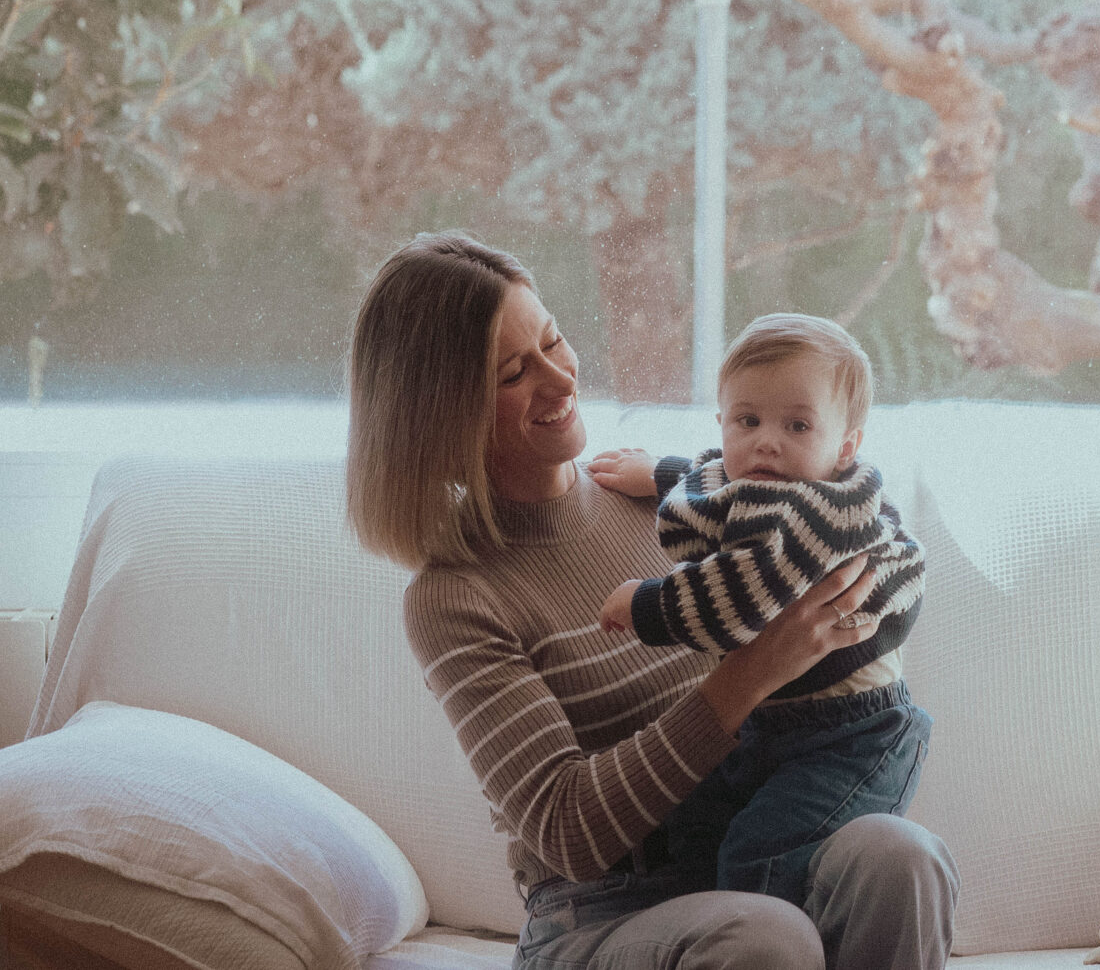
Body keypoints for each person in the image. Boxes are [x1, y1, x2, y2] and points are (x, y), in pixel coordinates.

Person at [346, 235, 958, 970]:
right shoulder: (454, 597)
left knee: (901, 856)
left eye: (553, 341)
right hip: (601, 912)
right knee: (763, 935)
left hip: (742, 854)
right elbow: (568, 832)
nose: (560, 378)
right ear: (443, 414)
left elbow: (847, 527)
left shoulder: (668, 507)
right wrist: (754, 671)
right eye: (514, 372)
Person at [590, 313, 932, 906]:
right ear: (722, 421)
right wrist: (660, 473)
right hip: (768, 723)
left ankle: (780, 942)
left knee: (762, 856)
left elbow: (737, 600)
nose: (766, 442)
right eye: (746, 420)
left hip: (853, 735)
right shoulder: (773, 482)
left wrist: (647, 604)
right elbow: (721, 490)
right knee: (690, 832)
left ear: (845, 447)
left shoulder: (822, 514)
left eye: (798, 425)